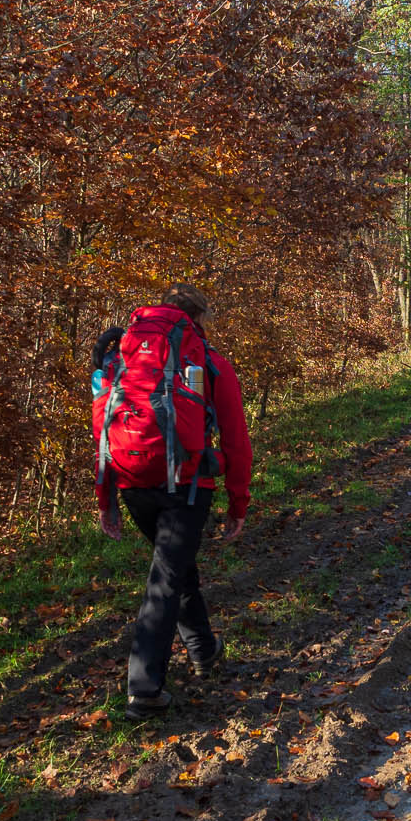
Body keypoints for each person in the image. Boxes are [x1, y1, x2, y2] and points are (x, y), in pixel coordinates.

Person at [91, 284, 252, 719]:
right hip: (187, 486)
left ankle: (203, 648)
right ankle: (144, 691)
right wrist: (238, 504)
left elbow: (102, 427)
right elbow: (236, 439)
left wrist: (105, 498)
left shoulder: (119, 358)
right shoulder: (209, 362)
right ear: (197, 319)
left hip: (130, 482)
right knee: (165, 579)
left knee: (176, 567)